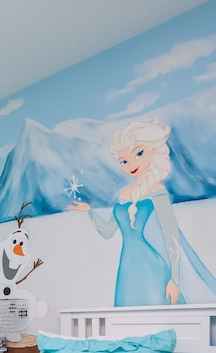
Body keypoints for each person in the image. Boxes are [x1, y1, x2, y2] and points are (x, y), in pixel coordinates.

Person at [67, 118, 184, 306]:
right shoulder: (123, 195)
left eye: (139, 153)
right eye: (124, 161)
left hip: (150, 265)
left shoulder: (157, 191)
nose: (130, 165)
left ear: (152, 150)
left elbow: (171, 236)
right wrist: (90, 212)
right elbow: (108, 231)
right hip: (127, 267)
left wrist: (175, 280)